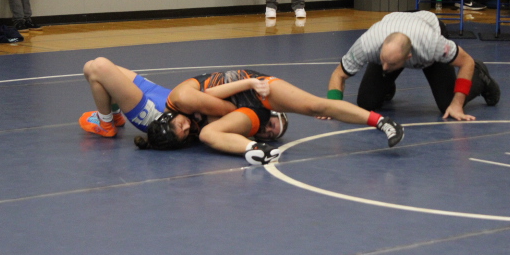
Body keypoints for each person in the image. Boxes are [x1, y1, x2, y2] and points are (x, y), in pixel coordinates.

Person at [140, 69, 404, 165]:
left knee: (316, 106)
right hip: (247, 110)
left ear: (168, 117)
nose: (186, 127)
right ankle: (258, 151)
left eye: (181, 125)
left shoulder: (179, 99)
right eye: (184, 134)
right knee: (208, 133)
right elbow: (216, 125)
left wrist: (251, 85)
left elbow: (218, 99)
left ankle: (382, 122)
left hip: (251, 88)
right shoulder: (181, 127)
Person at [327, 11, 501, 121]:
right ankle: (386, 88)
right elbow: (339, 74)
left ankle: (480, 77)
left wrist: (457, 104)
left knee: (448, 104)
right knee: (366, 102)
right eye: (383, 60)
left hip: (428, 28)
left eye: (392, 63)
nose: (385, 67)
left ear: (409, 57)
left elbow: (466, 61)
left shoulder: (432, 44)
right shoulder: (367, 44)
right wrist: (332, 106)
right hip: (394, 29)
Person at [79, 58, 288, 143]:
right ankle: (114, 117)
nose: (267, 131)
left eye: (270, 135)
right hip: (161, 94)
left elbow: (209, 101)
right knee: (90, 69)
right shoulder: (248, 110)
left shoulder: (240, 122)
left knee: (100, 67)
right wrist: (250, 84)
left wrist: (249, 83)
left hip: (155, 114)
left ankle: (106, 122)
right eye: (271, 125)